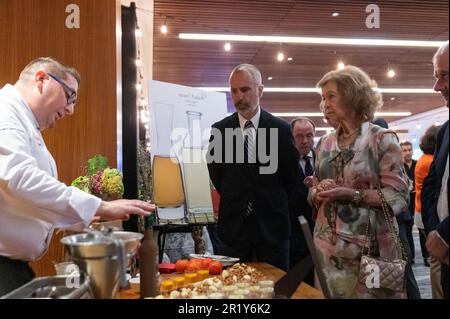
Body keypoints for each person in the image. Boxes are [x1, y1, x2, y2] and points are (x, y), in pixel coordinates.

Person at [0, 57, 155, 296]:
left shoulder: (23, 120)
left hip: (12, 268)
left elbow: (27, 202)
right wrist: (100, 205)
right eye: (70, 95)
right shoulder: (6, 111)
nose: (71, 109)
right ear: (41, 80)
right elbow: (19, 177)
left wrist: (90, 214)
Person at [310, 65, 409, 298]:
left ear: (353, 96)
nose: (325, 104)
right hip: (328, 254)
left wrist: (350, 194)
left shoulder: (381, 140)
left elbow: (399, 197)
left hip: (374, 252)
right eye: (323, 98)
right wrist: (317, 191)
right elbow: (315, 188)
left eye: (331, 96)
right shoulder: (324, 144)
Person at [207, 64, 300, 271]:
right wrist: (239, 196)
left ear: (260, 90)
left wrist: (271, 200)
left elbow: (291, 178)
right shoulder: (220, 131)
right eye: (234, 91)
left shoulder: (281, 130)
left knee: (276, 289)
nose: (239, 96)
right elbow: (217, 174)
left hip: (273, 229)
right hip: (234, 230)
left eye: (245, 89)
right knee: (232, 290)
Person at [372, 118, 421, 299]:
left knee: (400, 275)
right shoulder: (387, 155)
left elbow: (397, 193)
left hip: (391, 224)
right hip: (387, 225)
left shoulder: (386, 156)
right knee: (389, 277)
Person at [421, 41, 449, 299]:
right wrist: (433, 231)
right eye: (436, 76)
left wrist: (444, 233)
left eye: (445, 76)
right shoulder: (446, 131)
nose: (437, 86)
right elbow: (432, 185)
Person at [288, 117, 316, 284]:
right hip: (293, 232)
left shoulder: (325, 160)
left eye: (309, 135)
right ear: (291, 137)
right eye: (299, 136)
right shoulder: (284, 162)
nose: (305, 141)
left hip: (319, 231)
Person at [415, 125, 442, 297]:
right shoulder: (429, 161)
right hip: (426, 214)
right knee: (437, 260)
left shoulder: (423, 159)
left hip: (421, 212)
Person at [400, 141, 417, 261]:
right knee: (408, 230)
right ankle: (411, 256)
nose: (408, 153)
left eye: (409, 150)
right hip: (406, 202)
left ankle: (425, 256)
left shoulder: (417, 163)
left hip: (417, 199)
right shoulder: (399, 166)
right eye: (405, 150)